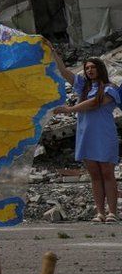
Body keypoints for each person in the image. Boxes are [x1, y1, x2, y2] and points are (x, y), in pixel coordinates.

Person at [51, 48, 120, 223]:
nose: (89, 70)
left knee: (107, 173)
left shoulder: (110, 88)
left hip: (103, 135)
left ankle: (112, 212)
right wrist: (54, 53)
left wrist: (69, 109)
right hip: (86, 135)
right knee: (94, 175)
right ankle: (100, 213)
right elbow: (65, 72)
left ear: (100, 69)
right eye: (87, 68)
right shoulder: (83, 87)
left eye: (93, 67)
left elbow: (95, 103)